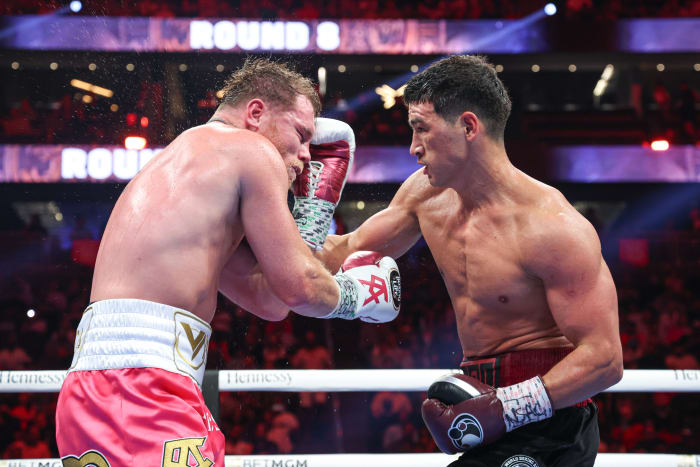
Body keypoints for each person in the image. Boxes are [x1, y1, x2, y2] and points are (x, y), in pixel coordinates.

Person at [55, 58, 401, 466]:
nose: (307, 155)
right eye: (301, 134)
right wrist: (359, 294)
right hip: (143, 386)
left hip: (95, 387)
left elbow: (272, 301)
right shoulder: (252, 150)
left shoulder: (191, 168)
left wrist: (311, 214)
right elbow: (302, 288)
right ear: (255, 113)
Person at [319, 55, 623, 466]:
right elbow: (346, 250)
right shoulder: (425, 194)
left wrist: (507, 407)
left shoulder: (552, 227)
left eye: (421, 129)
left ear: (468, 127)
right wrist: (270, 224)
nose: (413, 148)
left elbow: (605, 359)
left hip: (553, 424)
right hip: (479, 404)